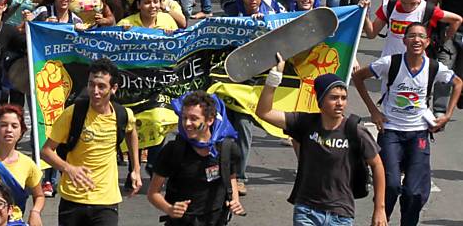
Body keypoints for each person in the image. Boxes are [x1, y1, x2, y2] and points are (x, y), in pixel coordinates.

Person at [352, 22, 462, 226]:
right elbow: (358, 77)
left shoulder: (433, 66)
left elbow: (458, 83)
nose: (416, 40)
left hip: (419, 134)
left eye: (421, 36)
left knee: (414, 192)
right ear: (404, 41)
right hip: (391, 132)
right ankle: (380, 219)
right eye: (411, 36)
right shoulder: (390, 63)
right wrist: (374, 111)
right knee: (391, 185)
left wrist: (447, 115)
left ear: (427, 42)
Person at [258, 62, 387, 226]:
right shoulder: (304, 122)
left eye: (343, 98)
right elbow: (264, 112)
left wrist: (379, 208)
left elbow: (377, 165)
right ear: (320, 100)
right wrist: (274, 78)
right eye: (333, 98)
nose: (340, 103)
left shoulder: (355, 131)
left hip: (341, 214)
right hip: (307, 211)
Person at [40, 58, 142, 226]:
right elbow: (46, 151)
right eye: (91, 84)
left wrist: (136, 169)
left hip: (105, 202)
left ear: (114, 88)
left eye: (101, 86)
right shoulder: (73, 113)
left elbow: (132, 133)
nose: (95, 91)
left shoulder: (123, 115)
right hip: (72, 199)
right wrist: (69, 169)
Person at [147, 91, 244, 226]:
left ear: (210, 120)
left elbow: (231, 177)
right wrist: (169, 209)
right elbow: (153, 193)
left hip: (216, 221)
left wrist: (235, 200)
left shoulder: (228, 149)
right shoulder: (174, 150)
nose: (187, 123)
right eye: (184, 117)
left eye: (193, 118)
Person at [363, 0, 462, 59]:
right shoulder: (389, 5)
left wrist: (444, 41)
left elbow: (457, 20)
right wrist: (365, 14)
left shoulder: (427, 9)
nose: (408, 7)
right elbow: (371, 34)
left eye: (412, 3)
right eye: (403, 2)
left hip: (417, 66)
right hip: (390, 63)